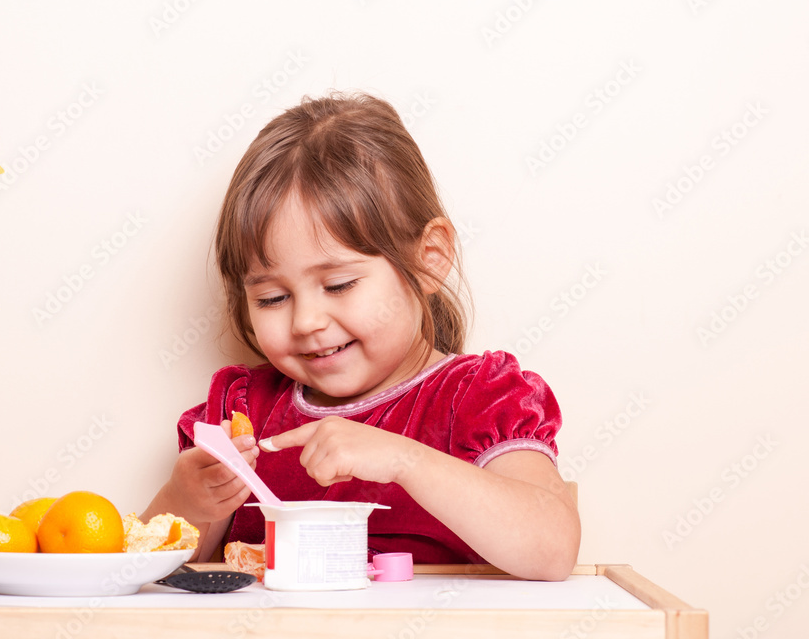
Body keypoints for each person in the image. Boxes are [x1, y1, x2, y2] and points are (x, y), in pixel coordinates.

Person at [142, 92, 580, 581]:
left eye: (339, 285)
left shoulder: (477, 398)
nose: (306, 321)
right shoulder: (243, 413)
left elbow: (552, 549)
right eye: (271, 298)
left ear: (428, 258)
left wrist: (403, 459)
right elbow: (152, 575)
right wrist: (186, 502)